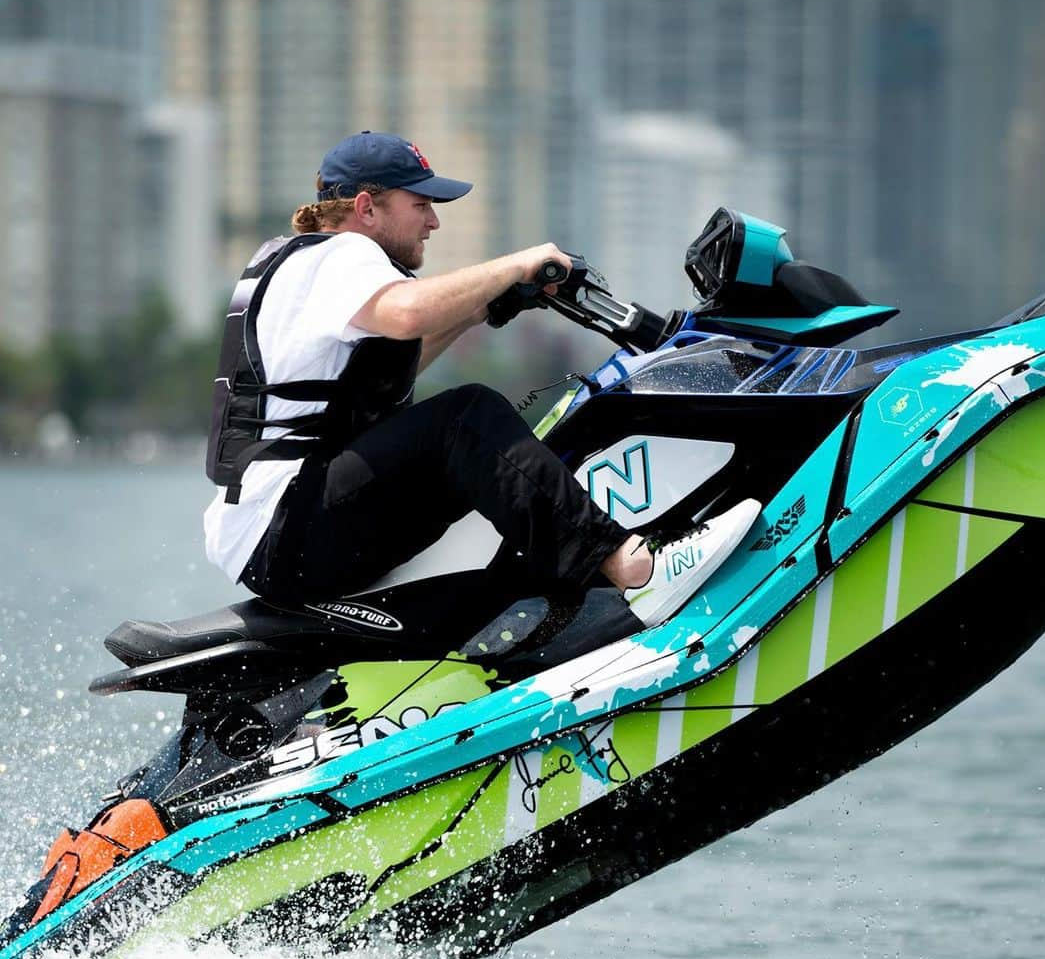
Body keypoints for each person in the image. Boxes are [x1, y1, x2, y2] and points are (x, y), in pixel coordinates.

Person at [204, 131, 760, 627]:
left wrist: (485, 309)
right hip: (287, 524)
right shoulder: (341, 254)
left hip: (282, 532)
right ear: (367, 208)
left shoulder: (303, 263)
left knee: (513, 458)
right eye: (420, 204)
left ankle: (552, 618)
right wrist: (518, 265)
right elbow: (408, 315)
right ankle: (632, 569)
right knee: (465, 418)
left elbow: (380, 376)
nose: (434, 221)